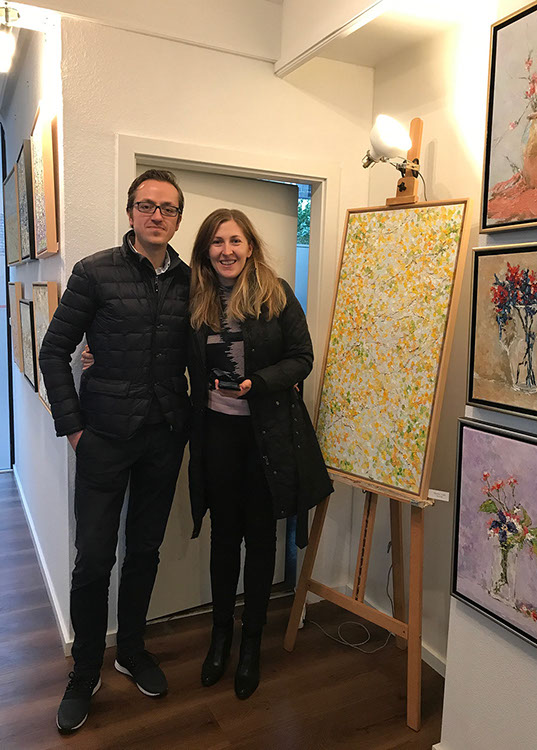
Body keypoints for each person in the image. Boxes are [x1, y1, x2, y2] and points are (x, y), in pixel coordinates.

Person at [39, 169, 191, 733]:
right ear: (130, 213)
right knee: (93, 559)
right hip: (102, 437)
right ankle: (85, 670)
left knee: (145, 550)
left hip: (163, 437)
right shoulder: (94, 271)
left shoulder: (190, 281)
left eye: (168, 208)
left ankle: (130, 649)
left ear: (178, 219)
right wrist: (74, 428)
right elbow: (54, 350)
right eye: (147, 205)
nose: (157, 216)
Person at [187, 208, 333, 700]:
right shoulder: (196, 298)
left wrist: (259, 383)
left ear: (250, 246)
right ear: (206, 250)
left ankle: (251, 644)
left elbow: (302, 358)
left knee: (261, 539)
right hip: (216, 435)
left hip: (266, 437)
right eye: (217, 242)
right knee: (223, 538)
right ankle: (220, 638)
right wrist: (96, 354)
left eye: (235, 240)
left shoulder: (276, 294)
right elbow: (162, 349)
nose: (226, 250)